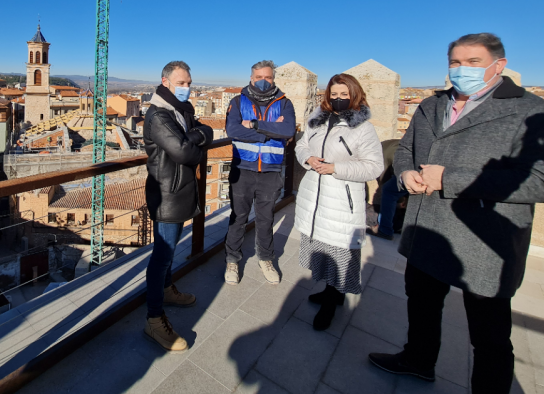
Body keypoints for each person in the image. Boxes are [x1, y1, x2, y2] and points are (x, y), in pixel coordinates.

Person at [368, 33, 544, 393]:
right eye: (455, 63)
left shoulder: (533, 112)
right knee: (422, 307)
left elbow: (542, 183)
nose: (462, 70)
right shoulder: (431, 106)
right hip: (427, 229)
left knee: (489, 335)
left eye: (473, 62)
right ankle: (418, 361)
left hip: (484, 241)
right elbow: (404, 151)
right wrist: (406, 173)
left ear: (498, 65)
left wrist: (450, 179)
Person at [294, 74, 384, 330]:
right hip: (315, 198)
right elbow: (301, 146)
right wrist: (308, 159)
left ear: (354, 95)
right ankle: (329, 291)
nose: (338, 98)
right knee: (322, 250)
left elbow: (373, 166)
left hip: (341, 200)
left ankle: (332, 302)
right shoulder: (316, 119)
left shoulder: (362, 127)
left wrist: (336, 168)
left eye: (344, 94)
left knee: (340, 252)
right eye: (334, 94)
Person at [143, 61, 213, 351]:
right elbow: (184, 152)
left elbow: (205, 131)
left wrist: (194, 135)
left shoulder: (181, 112)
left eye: (189, 83)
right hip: (166, 194)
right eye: (182, 83)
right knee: (162, 256)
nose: (187, 88)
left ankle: (167, 290)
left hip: (179, 191)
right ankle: (154, 319)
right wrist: (194, 140)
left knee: (169, 253)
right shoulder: (160, 115)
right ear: (166, 81)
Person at [224, 60, 296, 285]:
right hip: (242, 169)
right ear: (251, 78)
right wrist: (269, 131)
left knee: (266, 219)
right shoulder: (237, 101)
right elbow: (233, 129)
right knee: (238, 219)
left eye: (268, 78)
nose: (264, 82)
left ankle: (266, 259)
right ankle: (232, 260)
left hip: (271, 170)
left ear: (273, 79)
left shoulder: (285, 104)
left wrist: (254, 125)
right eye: (259, 78)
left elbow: (288, 130)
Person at [366, 138, 409, 240]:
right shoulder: (386, 147)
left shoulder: (379, 155)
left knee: (388, 191)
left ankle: (385, 230)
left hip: (407, 168)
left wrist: (400, 200)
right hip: (413, 166)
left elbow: (383, 179)